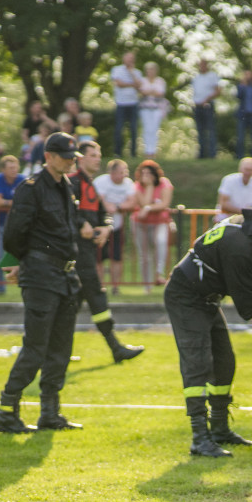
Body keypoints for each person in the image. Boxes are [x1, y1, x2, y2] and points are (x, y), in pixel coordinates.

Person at [164, 199, 252, 456]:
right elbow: (248, 306)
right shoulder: (239, 246)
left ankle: (219, 429)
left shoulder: (250, 232)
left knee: (224, 362)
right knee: (197, 362)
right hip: (186, 298)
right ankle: (199, 437)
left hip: (206, 299)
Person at [0, 133, 86, 433]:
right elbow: (13, 233)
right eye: (65, 156)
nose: (71, 161)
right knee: (36, 346)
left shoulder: (66, 186)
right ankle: (7, 411)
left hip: (66, 276)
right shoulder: (31, 188)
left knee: (61, 347)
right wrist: (21, 262)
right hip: (41, 276)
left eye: (73, 157)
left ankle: (50, 412)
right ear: (48, 156)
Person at [69, 141, 144, 363]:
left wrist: (106, 227)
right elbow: (64, 212)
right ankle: (115, 348)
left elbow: (104, 213)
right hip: (76, 254)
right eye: (93, 155)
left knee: (73, 303)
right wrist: (81, 223)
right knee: (96, 297)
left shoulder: (91, 185)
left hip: (87, 253)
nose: (97, 158)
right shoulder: (71, 183)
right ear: (80, 158)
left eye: (98, 154)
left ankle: (59, 349)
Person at [92, 158, 135, 293]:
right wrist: (108, 207)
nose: (125, 175)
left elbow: (132, 202)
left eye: (125, 171)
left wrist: (116, 206)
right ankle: (99, 285)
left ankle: (115, 286)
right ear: (113, 173)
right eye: (122, 172)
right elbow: (100, 200)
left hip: (117, 225)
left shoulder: (128, 184)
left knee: (117, 256)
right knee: (98, 256)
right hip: (100, 225)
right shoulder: (101, 182)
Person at [132, 160, 174, 291]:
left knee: (161, 242)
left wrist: (149, 208)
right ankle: (147, 285)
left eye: (149, 173)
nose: (146, 176)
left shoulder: (164, 184)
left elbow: (164, 204)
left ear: (156, 174)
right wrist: (149, 186)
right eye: (143, 173)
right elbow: (143, 203)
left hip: (160, 221)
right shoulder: (137, 186)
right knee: (144, 254)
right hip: (140, 224)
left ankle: (158, 273)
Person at [0, 155, 26, 294]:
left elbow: (27, 202)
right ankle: (1, 286)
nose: (14, 170)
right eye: (10, 167)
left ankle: (22, 282)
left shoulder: (23, 180)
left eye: (15, 167)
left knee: (21, 253)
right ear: (3, 169)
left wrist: (6, 202)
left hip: (18, 225)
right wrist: (15, 204)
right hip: (0, 224)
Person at [110, 51, 143, 157]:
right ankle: (118, 152)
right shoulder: (117, 70)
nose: (130, 60)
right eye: (128, 58)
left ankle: (133, 153)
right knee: (119, 128)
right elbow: (119, 84)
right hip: (121, 104)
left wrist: (131, 73)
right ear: (124, 59)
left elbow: (139, 86)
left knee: (133, 129)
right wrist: (132, 84)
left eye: (132, 58)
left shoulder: (137, 72)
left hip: (133, 104)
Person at [217, 157, 252, 222]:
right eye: (246, 169)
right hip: (225, 219)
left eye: (251, 170)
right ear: (240, 169)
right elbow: (223, 204)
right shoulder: (228, 180)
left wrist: (247, 212)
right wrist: (246, 212)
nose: (248, 173)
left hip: (244, 220)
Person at [191, 58, 221, 159]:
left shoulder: (212, 76)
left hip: (208, 106)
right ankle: (202, 154)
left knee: (210, 129)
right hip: (197, 106)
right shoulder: (196, 78)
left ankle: (212, 154)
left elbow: (217, 91)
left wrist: (207, 99)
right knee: (200, 130)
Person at [138, 61, 167, 158]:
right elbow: (142, 92)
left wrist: (149, 92)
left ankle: (153, 151)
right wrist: (152, 92)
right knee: (147, 129)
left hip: (156, 108)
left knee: (154, 129)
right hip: (145, 108)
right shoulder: (142, 80)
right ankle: (147, 150)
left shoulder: (160, 81)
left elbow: (160, 93)